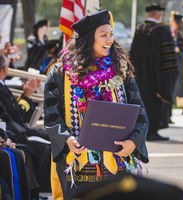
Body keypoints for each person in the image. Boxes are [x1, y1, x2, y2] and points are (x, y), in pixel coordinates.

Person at [44, 10, 149, 199]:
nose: (109, 40)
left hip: (115, 161)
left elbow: (139, 113)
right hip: (77, 163)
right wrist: (67, 139)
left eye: (110, 35)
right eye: (103, 35)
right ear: (87, 39)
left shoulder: (120, 71)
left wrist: (133, 142)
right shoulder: (61, 73)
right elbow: (52, 115)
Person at [0, 54, 51, 194]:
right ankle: (41, 190)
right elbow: (16, 116)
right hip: (14, 133)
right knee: (44, 147)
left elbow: (15, 114)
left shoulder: (2, 86)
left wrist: (26, 95)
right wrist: (27, 95)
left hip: (14, 130)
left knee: (50, 135)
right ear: (5, 69)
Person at [130, 4, 178, 141]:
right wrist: (167, 77)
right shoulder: (161, 30)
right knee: (154, 102)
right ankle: (153, 131)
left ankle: (142, 130)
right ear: (158, 15)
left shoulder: (140, 28)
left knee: (141, 101)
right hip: (157, 77)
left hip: (140, 75)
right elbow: (167, 58)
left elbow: (133, 53)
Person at [169, 12, 183, 115]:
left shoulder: (180, 33)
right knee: (180, 86)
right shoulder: (177, 32)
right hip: (178, 63)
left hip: (181, 64)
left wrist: (177, 49)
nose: (170, 22)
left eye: (172, 21)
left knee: (181, 86)